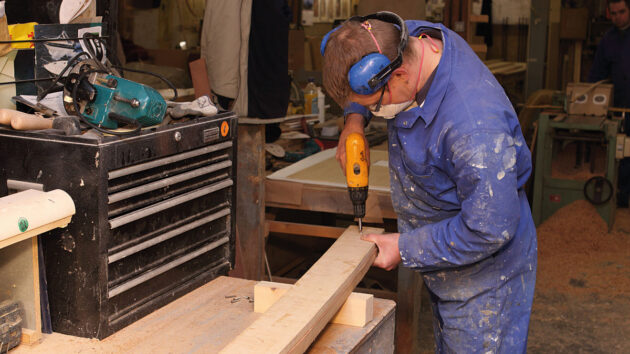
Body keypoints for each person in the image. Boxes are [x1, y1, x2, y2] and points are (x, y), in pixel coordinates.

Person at [320, 12, 537, 353]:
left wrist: (403, 247)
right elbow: (362, 57)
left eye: (374, 106)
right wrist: (354, 120)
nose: (376, 113)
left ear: (398, 76)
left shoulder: (475, 130)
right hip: (445, 253)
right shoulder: (406, 37)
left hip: (484, 274)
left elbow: (489, 229)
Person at [588, 0, 630, 207]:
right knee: (621, 151)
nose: (618, 17)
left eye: (622, 12)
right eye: (613, 13)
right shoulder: (608, 40)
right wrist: (586, 99)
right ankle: (621, 196)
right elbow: (597, 74)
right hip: (620, 106)